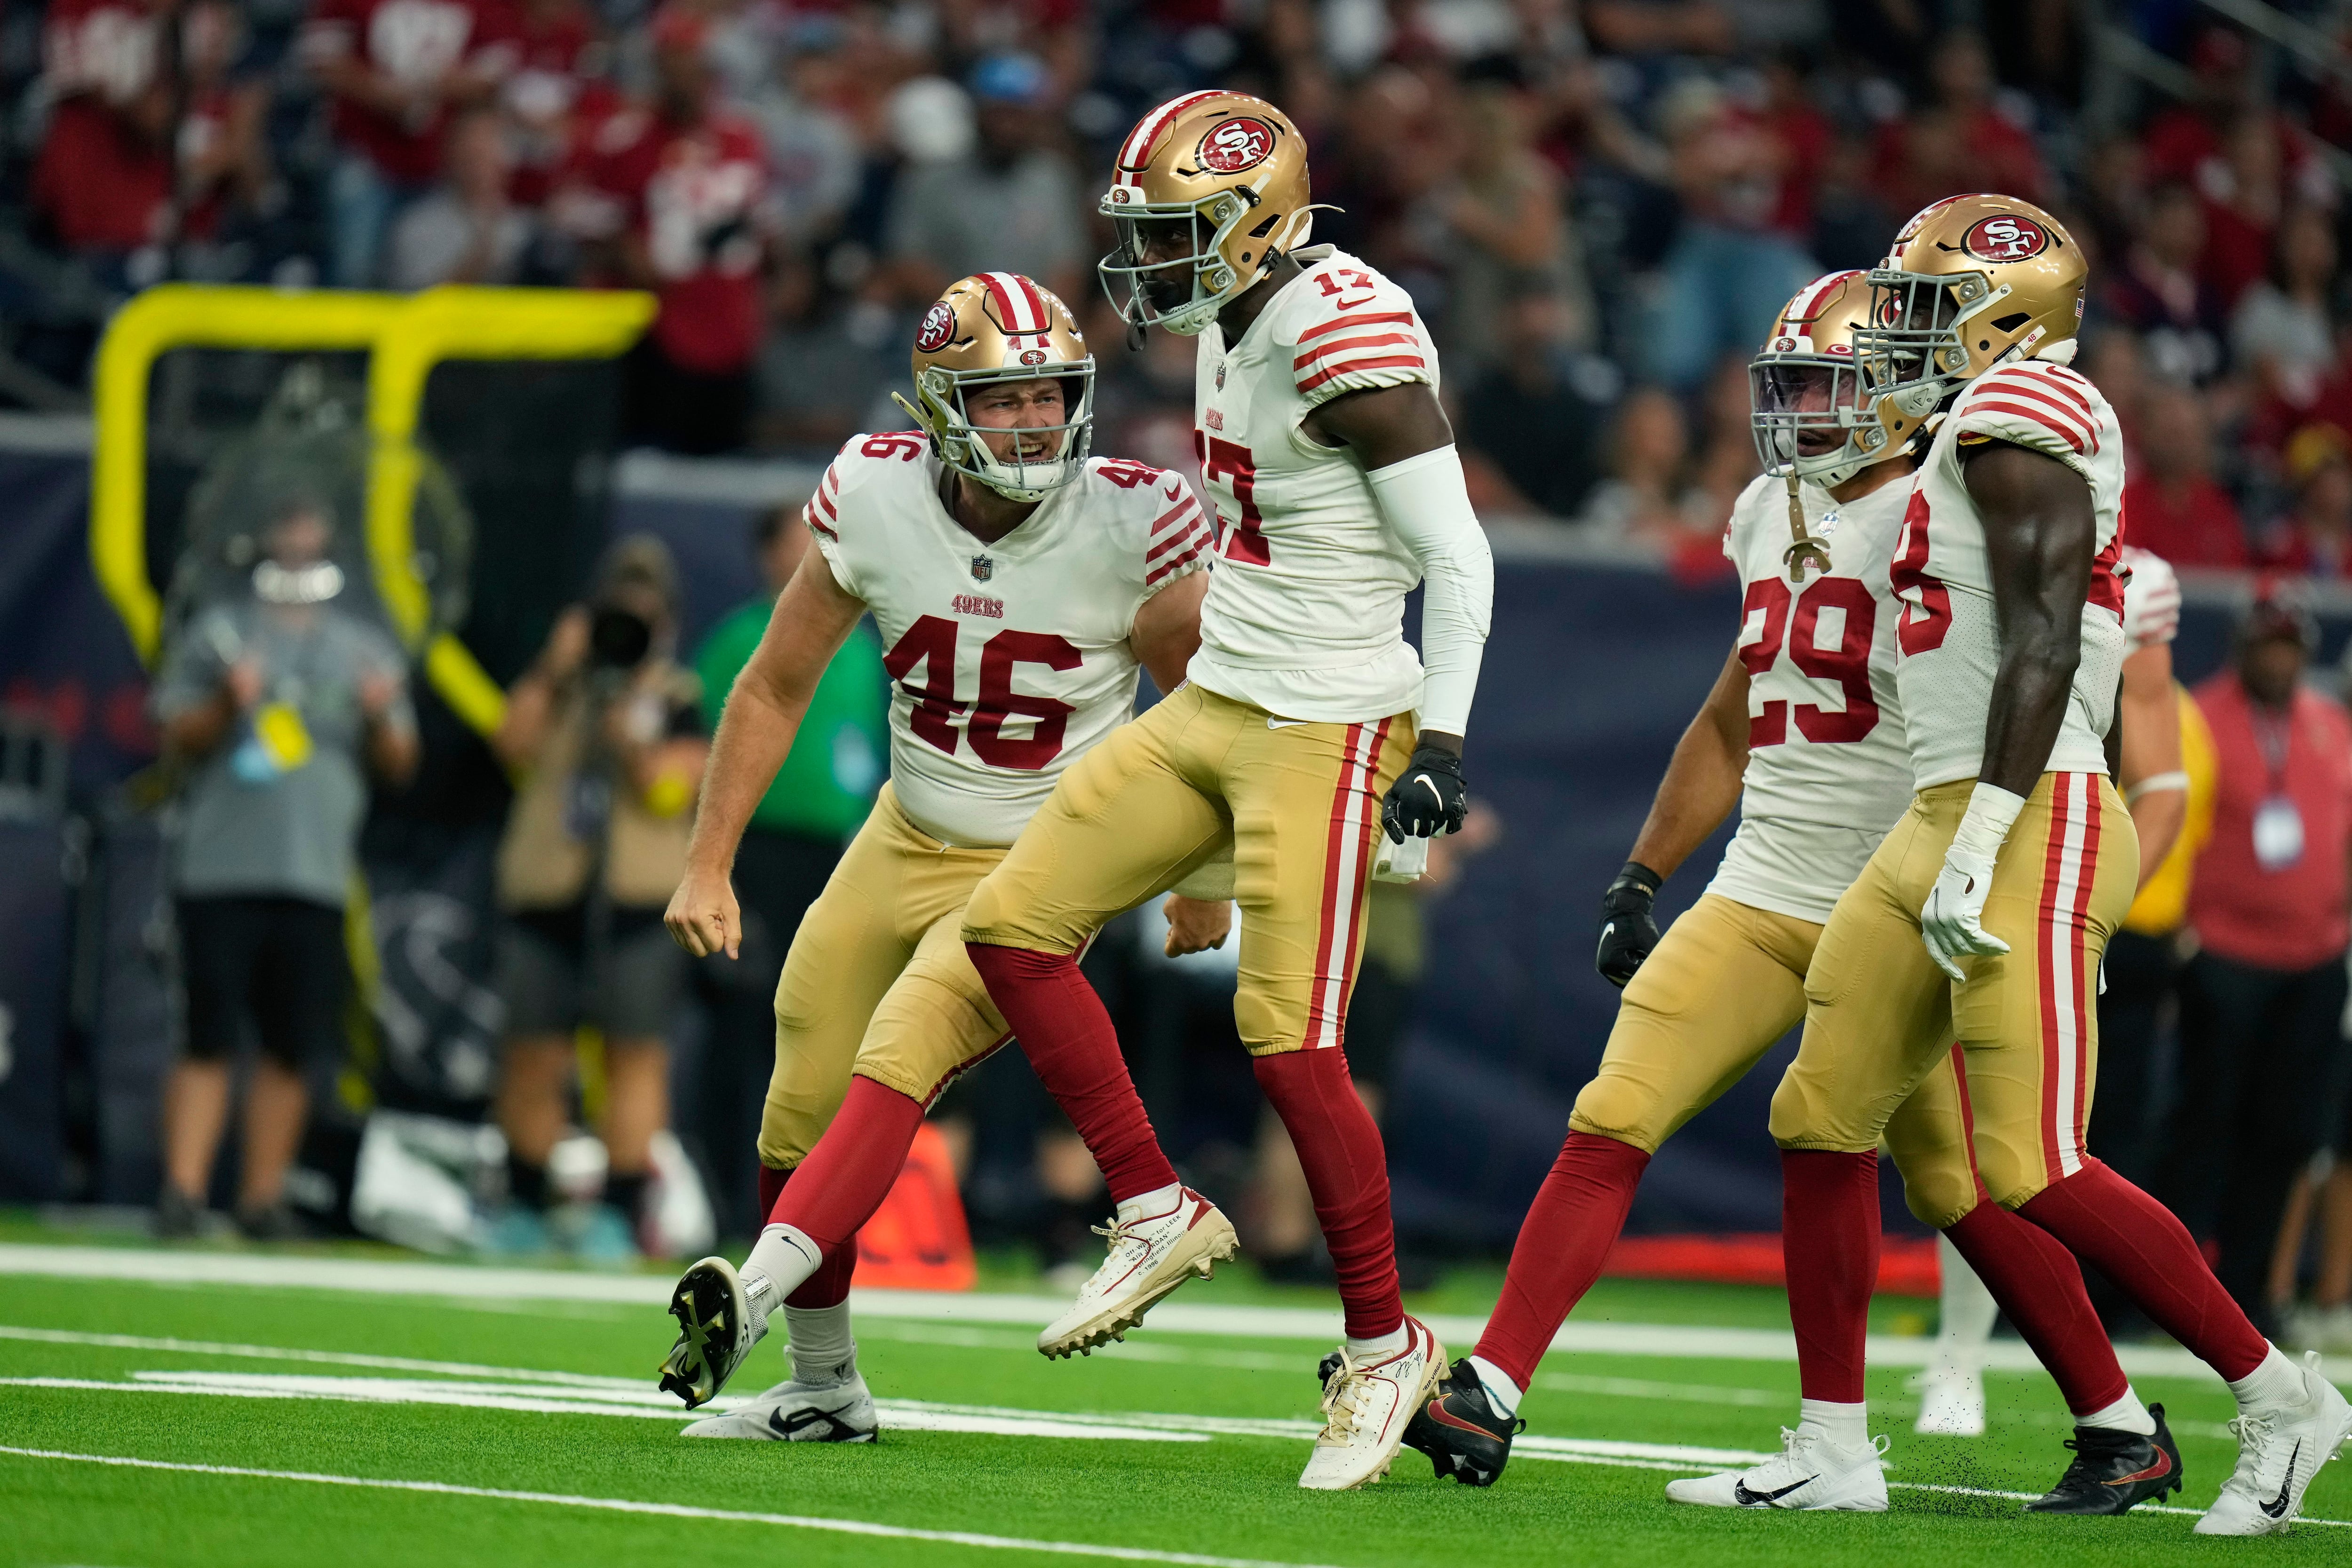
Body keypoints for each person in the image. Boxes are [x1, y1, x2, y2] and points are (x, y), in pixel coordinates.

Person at [1403, 271, 2162, 1511]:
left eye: (1828, 384)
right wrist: (1644, 871)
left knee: (1965, 1184)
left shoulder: (1960, 491)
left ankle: (2115, 1412)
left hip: (1898, 891)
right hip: (1764, 884)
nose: (1801, 411)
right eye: (1790, 384)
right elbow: (1731, 713)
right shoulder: (1773, 504)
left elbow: (2059, 677)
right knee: (1616, 1109)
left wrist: (2039, 878)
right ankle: (1490, 1386)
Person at [1678, 194, 2351, 1535]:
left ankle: (2284, 1396)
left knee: (2033, 1162)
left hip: (2029, 810)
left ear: (2008, 318)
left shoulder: (2024, 409)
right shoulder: (1965, 426)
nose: (1900, 332)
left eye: (1928, 305)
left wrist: (1983, 836)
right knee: (1821, 1114)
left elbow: (2043, 638)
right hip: (1947, 804)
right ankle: (1831, 1443)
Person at [955, 91, 1495, 1492]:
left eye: (1172, 233)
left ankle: (1383, 1348)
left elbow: (1463, 557)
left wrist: (1440, 740)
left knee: (1290, 1041)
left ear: (1255, 224)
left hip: (1325, 721)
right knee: (1013, 926)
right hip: (1217, 698)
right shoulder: (1230, 310)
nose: (1147, 264)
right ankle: (1152, 1201)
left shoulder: (1348, 337)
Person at [654, 272, 1224, 1439]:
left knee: (901, 1053)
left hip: (1042, 860)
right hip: (905, 830)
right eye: (1003, 397)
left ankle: (746, 1300)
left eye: (1048, 394)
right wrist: (707, 859)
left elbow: (1204, 707)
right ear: (940, 403)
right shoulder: (872, 492)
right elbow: (773, 685)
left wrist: (1204, 874)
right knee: (798, 1094)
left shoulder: (1131, 518)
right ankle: (823, 1386)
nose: (1032, 420)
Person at [1917, 544, 2194, 1425]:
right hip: (1932, 844)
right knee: (1924, 1134)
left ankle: (1986, 1364)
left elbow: (2164, 784)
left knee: (2024, 1148)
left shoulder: (2128, 576)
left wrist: (2087, 910)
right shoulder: (1916, 535)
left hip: (2043, 862)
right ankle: (1956, 1366)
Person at [151, 498, 419, 1239]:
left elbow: (401, 762)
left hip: (316, 875)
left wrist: (377, 714)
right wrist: (225, 702)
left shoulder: (364, 646)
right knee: (206, 1034)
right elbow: (176, 733)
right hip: (220, 868)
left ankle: (261, 1196)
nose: (300, 552)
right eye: (287, 539)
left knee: (292, 1043)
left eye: (313, 540)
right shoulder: (221, 633)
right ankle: (183, 1190)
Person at [488, 535, 707, 1260]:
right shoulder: (557, 688)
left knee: (635, 1055)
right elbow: (508, 745)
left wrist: (628, 728)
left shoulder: (679, 697)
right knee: (532, 1050)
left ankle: (618, 1206)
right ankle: (523, 1200)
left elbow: (673, 786)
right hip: (550, 890)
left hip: (640, 900)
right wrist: (557, 671)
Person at [2151, 586, 2352, 1339]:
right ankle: (2167, 1292)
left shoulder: (2330, 725)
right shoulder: (2200, 717)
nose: (2280, 657)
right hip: (2223, 953)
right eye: (2268, 644)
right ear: (2242, 647)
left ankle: (2250, 1295)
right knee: (2203, 1129)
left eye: (2291, 646)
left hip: (2313, 961)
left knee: (2289, 1133)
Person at [688, 501, 887, 1243]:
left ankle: (802, 1211)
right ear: (769, 556)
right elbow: (707, 745)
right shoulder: (739, 639)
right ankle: (730, 1203)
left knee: (818, 1032)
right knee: (743, 1031)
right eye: (800, 540)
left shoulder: (866, 647)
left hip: (833, 857)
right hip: (755, 851)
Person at [300, 0, 517, 288]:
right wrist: (381, 94)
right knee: (355, 274)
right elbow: (321, 56)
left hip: (439, 162)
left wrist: (430, 85)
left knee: (430, 276)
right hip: (367, 152)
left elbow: (497, 68)